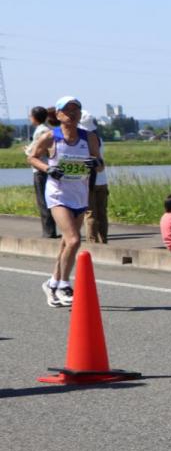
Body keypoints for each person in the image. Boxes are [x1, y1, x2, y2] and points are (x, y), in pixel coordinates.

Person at [25, 96, 103, 307]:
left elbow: (100, 165)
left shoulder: (89, 138)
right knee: (74, 240)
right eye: (67, 110)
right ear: (58, 115)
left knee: (65, 243)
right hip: (58, 195)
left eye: (75, 110)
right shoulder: (51, 137)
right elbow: (31, 157)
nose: (72, 113)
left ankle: (51, 283)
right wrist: (48, 169)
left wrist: (94, 162)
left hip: (79, 193)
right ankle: (63, 284)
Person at [25, 107, 57, 239]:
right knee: (46, 200)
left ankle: (49, 231)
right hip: (46, 168)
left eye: (30, 115)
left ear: (34, 117)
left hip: (41, 168)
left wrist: (27, 150)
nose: (29, 117)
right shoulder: (45, 129)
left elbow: (33, 152)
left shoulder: (41, 131)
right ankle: (50, 230)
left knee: (43, 201)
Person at [79, 111, 109, 244]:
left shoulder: (82, 140)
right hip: (102, 180)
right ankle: (104, 240)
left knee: (90, 214)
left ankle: (92, 243)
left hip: (88, 182)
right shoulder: (99, 138)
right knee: (102, 214)